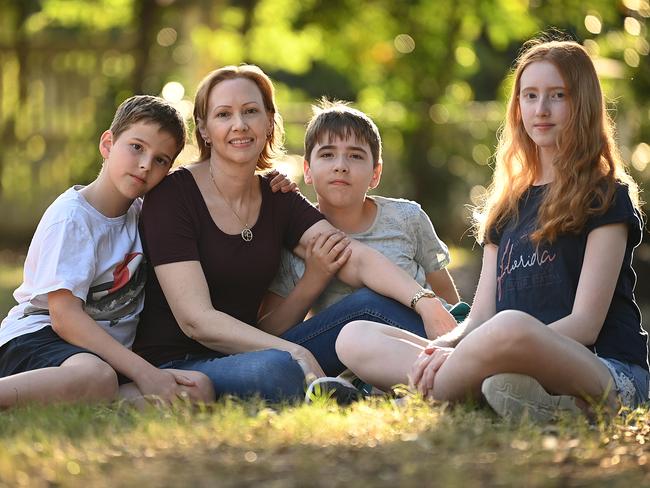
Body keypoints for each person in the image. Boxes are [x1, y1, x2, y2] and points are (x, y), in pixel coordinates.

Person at [335, 38, 649, 422]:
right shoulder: (508, 205)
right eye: (530, 96)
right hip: (503, 360)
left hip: (600, 368)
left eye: (557, 95)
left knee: (512, 326)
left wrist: (477, 352)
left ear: (581, 103)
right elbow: (480, 317)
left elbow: (585, 325)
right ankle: (500, 396)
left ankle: (404, 401)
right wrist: (448, 347)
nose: (541, 109)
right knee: (354, 336)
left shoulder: (605, 196)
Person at [132, 65, 458, 403]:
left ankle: (464, 366)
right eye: (223, 114)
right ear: (204, 128)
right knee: (277, 370)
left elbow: (354, 259)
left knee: (369, 304)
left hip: (261, 348)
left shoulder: (276, 195)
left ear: (269, 120)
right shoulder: (173, 196)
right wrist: (293, 352)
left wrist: (426, 302)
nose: (239, 125)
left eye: (251, 111)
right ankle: (434, 383)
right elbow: (196, 321)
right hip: (187, 362)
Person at [0, 95, 215, 407]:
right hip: (38, 339)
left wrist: (268, 183)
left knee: (196, 390)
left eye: (160, 160)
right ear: (108, 144)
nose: (145, 164)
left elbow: (207, 194)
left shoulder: (145, 214)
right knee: (97, 377)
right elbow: (64, 318)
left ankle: (83, 403)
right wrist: (144, 371)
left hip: (99, 359)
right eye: (136, 147)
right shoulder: (73, 217)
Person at [261, 99, 463, 334]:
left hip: (418, 340)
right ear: (307, 171)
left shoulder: (407, 218)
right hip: (350, 356)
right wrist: (314, 276)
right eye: (327, 155)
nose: (341, 166)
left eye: (355, 156)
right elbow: (270, 330)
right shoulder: (295, 239)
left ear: (375, 174)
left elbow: (446, 299)